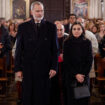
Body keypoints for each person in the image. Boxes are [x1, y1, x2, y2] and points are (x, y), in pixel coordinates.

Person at [14, 1, 58, 105]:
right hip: (28, 68)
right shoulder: (23, 27)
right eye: (37, 11)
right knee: (28, 96)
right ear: (31, 12)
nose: (40, 13)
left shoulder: (51, 27)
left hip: (45, 68)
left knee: (43, 96)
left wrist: (54, 67)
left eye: (42, 11)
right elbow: (19, 50)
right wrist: (18, 69)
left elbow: (55, 49)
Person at [63, 22, 93, 105]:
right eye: (74, 29)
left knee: (83, 100)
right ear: (71, 30)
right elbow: (66, 61)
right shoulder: (67, 42)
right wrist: (75, 74)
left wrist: (82, 74)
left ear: (82, 30)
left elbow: (89, 60)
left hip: (83, 76)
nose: (76, 31)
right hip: (71, 76)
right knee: (71, 100)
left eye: (78, 29)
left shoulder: (87, 42)